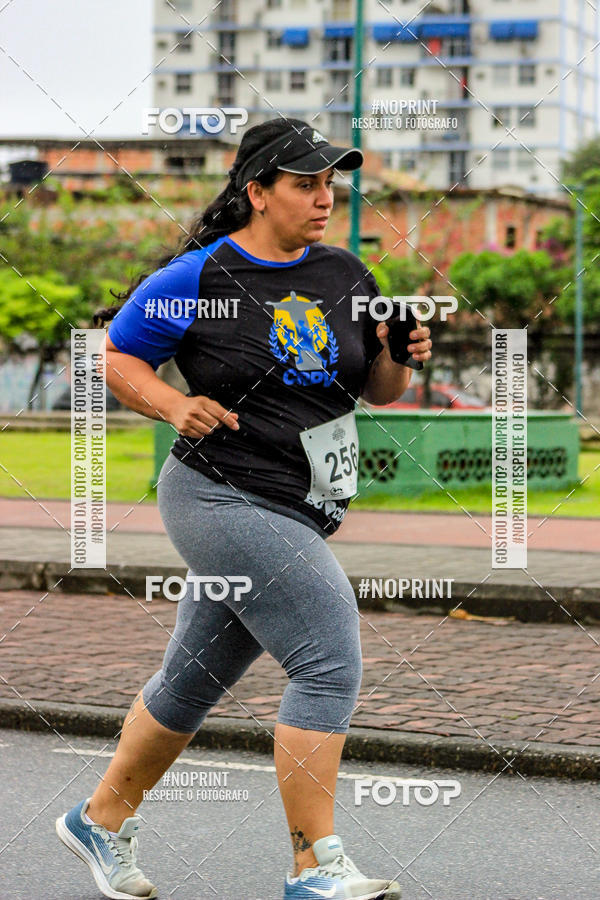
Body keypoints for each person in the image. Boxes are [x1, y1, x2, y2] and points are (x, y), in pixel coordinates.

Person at [55, 117, 432, 900]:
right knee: (327, 657)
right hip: (218, 494)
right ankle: (313, 866)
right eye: (305, 184)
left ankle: (99, 818)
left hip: (301, 503)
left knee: (191, 678)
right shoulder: (200, 277)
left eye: (330, 183)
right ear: (256, 191)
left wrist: (401, 353)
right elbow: (115, 355)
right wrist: (169, 402)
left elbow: (377, 389)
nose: (324, 198)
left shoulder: (345, 274)